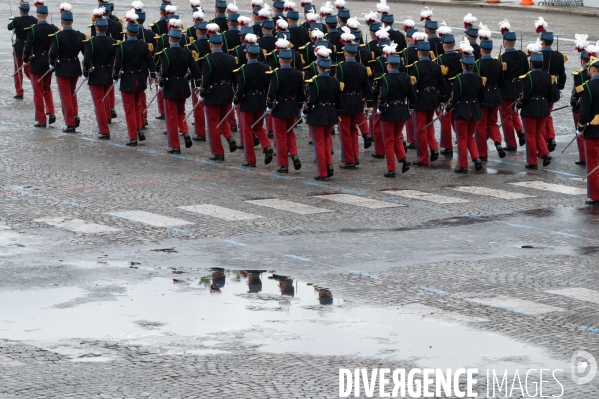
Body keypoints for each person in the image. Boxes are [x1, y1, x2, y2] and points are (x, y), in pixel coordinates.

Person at [114, 11, 156, 146]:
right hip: (139, 78)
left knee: (130, 109)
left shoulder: (122, 46)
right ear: (137, 33)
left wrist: (115, 76)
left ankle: (133, 137)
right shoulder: (144, 45)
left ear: (127, 33)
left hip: (127, 79)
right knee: (137, 106)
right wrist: (153, 75)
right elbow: (151, 62)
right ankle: (139, 129)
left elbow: (118, 64)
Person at [198, 26, 238, 161]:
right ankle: (229, 137)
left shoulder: (208, 60)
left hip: (213, 93)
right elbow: (235, 79)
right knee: (222, 119)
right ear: (221, 44)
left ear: (210, 45)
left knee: (213, 123)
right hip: (227, 92)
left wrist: (202, 94)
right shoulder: (231, 59)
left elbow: (206, 80)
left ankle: (218, 152)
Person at [302, 47, 342, 180]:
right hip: (331, 113)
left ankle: (322, 172)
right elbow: (339, 101)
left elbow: (311, 100)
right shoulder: (335, 81)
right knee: (326, 141)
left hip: (317, 114)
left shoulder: (314, 82)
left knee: (318, 143)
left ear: (318, 66)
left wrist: (305, 111)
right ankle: (329, 165)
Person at [377, 44, 416, 177]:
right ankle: (403, 158)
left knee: (388, 140)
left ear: (388, 65)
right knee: (396, 137)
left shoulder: (385, 79)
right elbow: (413, 96)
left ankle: (391, 169)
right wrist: (409, 108)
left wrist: (381, 108)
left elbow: (382, 97)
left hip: (390, 112)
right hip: (402, 111)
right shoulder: (406, 77)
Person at [335, 34, 373, 169]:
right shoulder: (362, 68)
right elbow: (367, 87)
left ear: (345, 53)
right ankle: (355, 156)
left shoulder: (340, 67)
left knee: (344, 131)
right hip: (357, 101)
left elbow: (339, 86)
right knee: (353, 130)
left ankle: (349, 159)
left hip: (344, 101)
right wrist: (370, 104)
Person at [443, 53, 485, 174]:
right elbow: (482, 98)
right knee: (469, 136)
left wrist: (447, 108)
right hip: (475, 111)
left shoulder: (459, 79)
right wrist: (477, 107)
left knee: (461, 138)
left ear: (463, 65)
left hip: (462, 111)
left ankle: (462, 165)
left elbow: (454, 98)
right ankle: (476, 157)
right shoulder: (478, 78)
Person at [233, 43, 273, 167]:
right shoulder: (266, 68)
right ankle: (267, 146)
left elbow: (240, 90)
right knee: (259, 127)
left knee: (247, 130)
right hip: (261, 100)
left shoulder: (243, 70)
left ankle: (250, 159)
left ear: (247, 55)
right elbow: (268, 85)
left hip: (248, 102)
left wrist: (235, 101)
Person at [409, 38, 447, 166]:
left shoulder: (416, 67)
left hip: (421, 100)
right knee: (429, 125)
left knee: (420, 129)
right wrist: (443, 100)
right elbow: (443, 85)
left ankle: (423, 158)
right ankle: (434, 148)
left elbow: (413, 88)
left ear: (419, 53)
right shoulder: (436, 66)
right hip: (433, 99)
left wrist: (411, 102)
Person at [266, 47, 304, 173]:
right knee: (290, 133)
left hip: (280, 106)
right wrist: (299, 108)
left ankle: (283, 164)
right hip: (292, 105)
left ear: (280, 60)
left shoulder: (276, 74)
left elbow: (272, 93)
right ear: (291, 60)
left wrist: (269, 106)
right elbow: (300, 94)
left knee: (280, 136)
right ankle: (294, 154)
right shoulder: (298, 74)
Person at [48, 3, 85, 133]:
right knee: (72, 92)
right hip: (75, 66)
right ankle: (75, 114)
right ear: (72, 21)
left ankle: (70, 123)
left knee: (65, 96)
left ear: (62, 22)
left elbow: (52, 53)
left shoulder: (58, 36)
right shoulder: (80, 35)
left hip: (63, 67)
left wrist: (52, 63)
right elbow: (85, 53)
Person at [23, 0, 57, 127]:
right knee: (47, 88)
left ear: (37, 15)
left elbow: (27, 48)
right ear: (47, 15)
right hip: (48, 62)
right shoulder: (53, 29)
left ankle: (41, 119)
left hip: (36, 62)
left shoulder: (32, 29)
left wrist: (26, 60)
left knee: (37, 92)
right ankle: (51, 111)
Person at [516, 52, 553, 170]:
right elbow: (551, 95)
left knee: (530, 135)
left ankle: (532, 161)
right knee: (537, 133)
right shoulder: (547, 76)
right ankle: (545, 153)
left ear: (531, 63)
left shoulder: (528, 77)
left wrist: (518, 105)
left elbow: (524, 96)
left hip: (530, 109)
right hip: (543, 108)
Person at [82, 11, 116, 139]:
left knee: (99, 103)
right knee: (105, 99)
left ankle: (104, 130)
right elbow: (115, 59)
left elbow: (86, 60)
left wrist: (85, 73)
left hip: (96, 74)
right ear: (106, 28)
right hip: (108, 73)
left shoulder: (91, 42)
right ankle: (107, 118)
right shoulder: (113, 41)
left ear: (96, 28)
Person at [536, 18, 567, 153]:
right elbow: (563, 76)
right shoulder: (559, 56)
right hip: (553, 89)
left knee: (540, 118)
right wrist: (558, 87)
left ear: (542, 41)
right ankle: (551, 138)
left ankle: (544, 142)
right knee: (547, 114)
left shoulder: (537, 55)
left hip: (540, 91)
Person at [498, 23, 528, 151]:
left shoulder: (502, 58)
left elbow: (500, 77)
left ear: (505, 43)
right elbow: (526, 71)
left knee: (506, 115)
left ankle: (511, 143)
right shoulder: (522, 55)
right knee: (514, 111)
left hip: (506, 89)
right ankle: (520, 131)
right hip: (519, 87)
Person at [475, 37, 506, 161]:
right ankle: (498, 142)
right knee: (492, 123)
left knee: (481, 125)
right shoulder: (498, 63)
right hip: (494, 96)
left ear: (481, 50)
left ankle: (482, 153)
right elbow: (501, 82)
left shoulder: (477, 65)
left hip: (482, 97)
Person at [576, 55, 599, 205]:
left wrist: (580, 128)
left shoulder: (588, 87)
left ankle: (596, 195)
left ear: (592, 69)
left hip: (593, 129)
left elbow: (584, 112)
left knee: (593, 163)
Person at [436, 32, 461, 156]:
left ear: (444, 46)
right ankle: (461, 141)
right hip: (459, 91)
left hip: (446, 92)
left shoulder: (440, 59)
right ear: (454, 44)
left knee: (446, 120)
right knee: (456, 119)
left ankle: (448, 146)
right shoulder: (461, 57)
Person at [8, 0, 37, 100]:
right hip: (30, 48)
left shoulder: (16, 20)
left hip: (19, 47)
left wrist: (12, 20)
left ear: (20, 10)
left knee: (17, 71)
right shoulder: (34, 20)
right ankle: (37, 87)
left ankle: (19, 92)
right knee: (29, 70)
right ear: (28, 10)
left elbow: (9, 27)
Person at [189, 18, 211, 141]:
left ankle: (200, 132)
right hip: (211, 78)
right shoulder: (211, 44)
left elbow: (193, 65)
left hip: (198, 79)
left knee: (198, 107)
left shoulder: (193, 46)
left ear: (197, 32)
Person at [571, 38, 591, 166]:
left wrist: (572, 103)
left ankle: (583, 157)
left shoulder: (579, 75)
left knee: (580, 134)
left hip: (579, 107)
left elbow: (575, 93)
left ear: (583, 61)